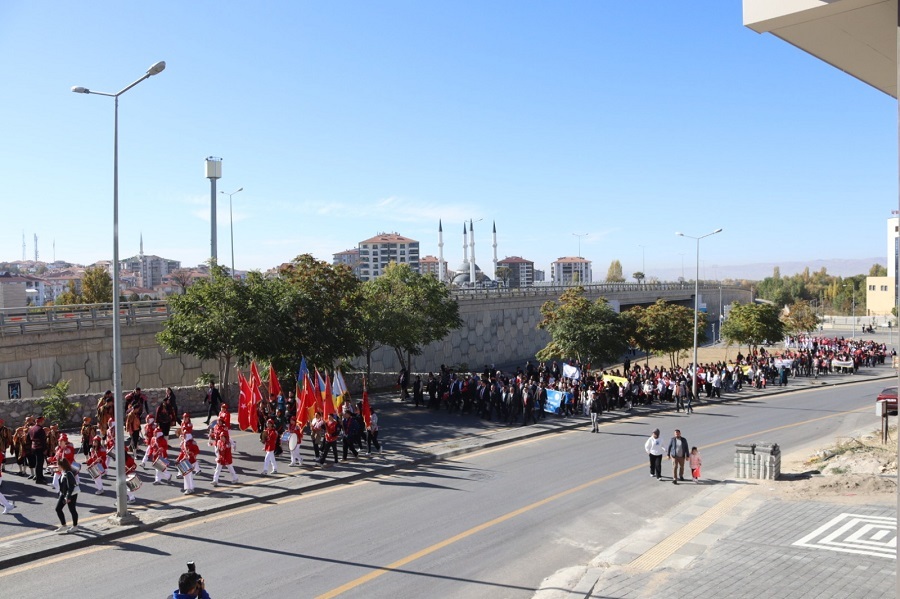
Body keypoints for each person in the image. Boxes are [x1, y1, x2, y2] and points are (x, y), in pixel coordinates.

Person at [53, 458, 79, 534]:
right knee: (58, 508)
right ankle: (64, 525)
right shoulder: (63, 472)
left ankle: (75, 526)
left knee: (72, 509)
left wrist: (68, 497)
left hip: (71, 494)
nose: (57, 466)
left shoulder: (68, 473)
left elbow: (71, 486)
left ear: (62, 466)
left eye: (58, 465)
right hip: (64, 493)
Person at [211, 422, 238, 487]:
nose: (221, 438)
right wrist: (217, 456)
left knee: (231, 469)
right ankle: (215, 481)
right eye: (221, 437)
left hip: (227, 458)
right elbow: (217, 450)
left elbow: (224, 449)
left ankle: (235, 478)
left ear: (226, 437)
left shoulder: (228, 444)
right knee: (217, 469)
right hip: (221, 458)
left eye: (223, 437)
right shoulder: (219, 442)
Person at [28, 416, 48, 484]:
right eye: (43, 421)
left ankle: (40, 476)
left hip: (33, 447)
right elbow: (43, 441)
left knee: (38, 463)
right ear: (40, 421)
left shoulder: (31, 428)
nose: (44, 422)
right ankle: (38, 479)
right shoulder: (40, 429)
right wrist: (45, 449)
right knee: (39, 463)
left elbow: (28, 438)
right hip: (39, 448)